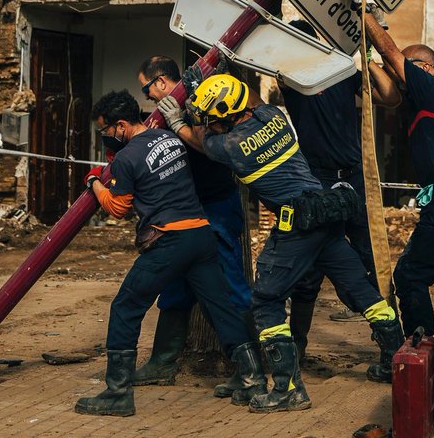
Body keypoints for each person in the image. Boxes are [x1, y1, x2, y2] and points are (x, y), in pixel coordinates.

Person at [158, 74, 405, 412]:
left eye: (214, 120)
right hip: (327, 212)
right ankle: (396, 362)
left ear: (228, 117)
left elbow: (197, 139)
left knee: (266, 300)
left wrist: (177, 120)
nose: (210, 125)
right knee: (359, 290)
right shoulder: (273, 117)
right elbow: (252, 101)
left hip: (297, 224)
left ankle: (288, 389)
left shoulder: (228, 147)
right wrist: (206, 93)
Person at [76, 89, 264, 416]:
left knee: (126, 305)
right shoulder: (168, 138)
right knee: (220, 308)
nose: (105, 137)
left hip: (170, 240)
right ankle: (254, 380)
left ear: (121, 126)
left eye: (106, 131)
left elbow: (118, 208)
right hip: (201, 236)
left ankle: (117, 393)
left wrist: (94, 181)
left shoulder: (127, 156)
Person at [280, 20, 401, 359]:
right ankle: (298, 347)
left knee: (370, 259)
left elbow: (390, 97)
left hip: (353, 176)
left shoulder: (343, 72)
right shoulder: (290, 78)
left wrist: (366, 53)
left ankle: (390, 348)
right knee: (310, 265)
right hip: (316, 179)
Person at [132, 56, 253, 391]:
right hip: (184, 212)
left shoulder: (201, 104)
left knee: (230, 287)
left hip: (215, 207)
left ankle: (249, 368)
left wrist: (182, 120)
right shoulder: (163, 115)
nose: (149, 97)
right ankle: (162, 361)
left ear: (159, 81)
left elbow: (213, 147)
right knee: (174, 286)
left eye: (148, 88)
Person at [361, 9, 434, 338]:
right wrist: (366, 59)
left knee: (410, 276)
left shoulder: (428, 85)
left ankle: (418, 350)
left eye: (404, 71)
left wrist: (365, 16)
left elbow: (391, 54)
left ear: (424, 68)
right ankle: (428, 351)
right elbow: (388, 96)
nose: (398, 76)